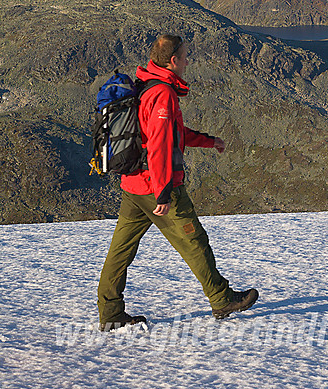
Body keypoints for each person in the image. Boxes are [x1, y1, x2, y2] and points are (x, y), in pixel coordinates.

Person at [97, 34, 258, 330]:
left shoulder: (147, 82)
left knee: (120, 251)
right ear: (173, 61)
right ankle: (221, 298)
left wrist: (210, 142)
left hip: (133, 185)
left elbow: (175, 132)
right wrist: (163, 192)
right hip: (153, 186)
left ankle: (109, 312)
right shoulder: (162, 94)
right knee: (194, 240)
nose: (188, 62)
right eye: (185, 57)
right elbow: (159, 144)